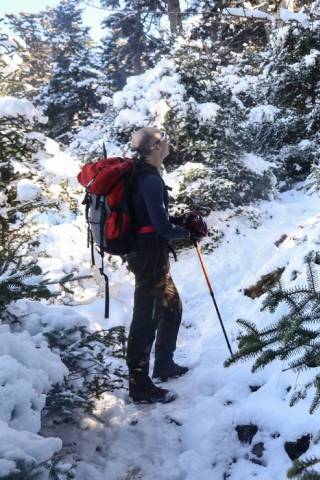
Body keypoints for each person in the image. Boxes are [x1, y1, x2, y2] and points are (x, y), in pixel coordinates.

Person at [125, 127, 206, 404]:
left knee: (171, 308)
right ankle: (139, 386)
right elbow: (160, 227)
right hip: (148, 257)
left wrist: (180, 221)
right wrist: (188, 232)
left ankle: (164, 365)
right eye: (165, 141)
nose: (169, 143)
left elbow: (151, 217)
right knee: (145, 319)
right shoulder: (150, 180)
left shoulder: (143, 174)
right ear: (155, 148)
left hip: (146, 253)